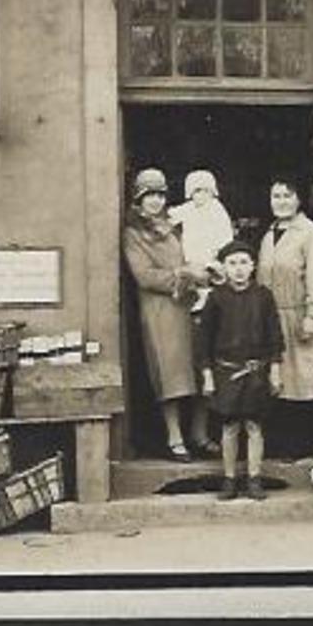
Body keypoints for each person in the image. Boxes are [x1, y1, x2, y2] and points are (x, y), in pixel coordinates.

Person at [121, 168, 203, 462]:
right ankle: (174, 436)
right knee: (169, 374)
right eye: (149, 195)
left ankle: (199, 433)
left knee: (198, 369)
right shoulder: (134, 233)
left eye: (159, 194)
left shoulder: (176, 224)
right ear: (138, 199)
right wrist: (183, 275)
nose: (155, 201)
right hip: (160, 310)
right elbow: (144, 276)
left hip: (189, 304)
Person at [198, 239, 285, 501]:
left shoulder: (263, 296)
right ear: (224, 267)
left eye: (244, 263)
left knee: (254, 426)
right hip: (226, 372)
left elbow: (275, 336)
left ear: (253, 266)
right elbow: (203, 342)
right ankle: (229, 478)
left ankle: (254, 477)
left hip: (256, 372)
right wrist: (208, 376)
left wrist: (275, 370)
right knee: (230, 426)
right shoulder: (216, 298)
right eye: (232, 263)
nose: (238, 269)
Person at [256, 178, 313, 459]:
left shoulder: (311, 233)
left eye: (287, 195)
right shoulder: (269, 234)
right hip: (273, 317)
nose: (281, 201)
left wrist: (311, 314)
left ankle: (309, 446)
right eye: (276, 196)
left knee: (307, 381)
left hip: (301, 315)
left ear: (298, 199)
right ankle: (284, 446)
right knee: (280, 382)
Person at [167, 168, 235, 456]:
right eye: (195, 191)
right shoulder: (183, 213)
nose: (200, 196)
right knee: (183, 370)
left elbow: (225, 249)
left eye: (205, 190)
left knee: (208, 367)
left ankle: (200, 430)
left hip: (212, 291)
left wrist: (213, 269)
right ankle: (181, 433)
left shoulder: (219, 215)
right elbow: (165, 223)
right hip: (184, 296)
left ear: (214, 191)